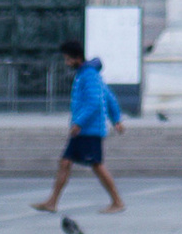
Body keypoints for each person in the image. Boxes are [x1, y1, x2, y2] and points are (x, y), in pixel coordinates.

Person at [38, 41, 126, 212]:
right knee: (65, 162)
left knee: (97, 165)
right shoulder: (86, 74)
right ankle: (52, 202)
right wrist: (116, 119)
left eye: (68, 59)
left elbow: (94, 102)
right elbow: (108, 96)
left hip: (89, 130)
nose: (66, 62)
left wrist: (79, 123)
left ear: (77, 58)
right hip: (84, 130)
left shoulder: (89, 75)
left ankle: (117, 202)